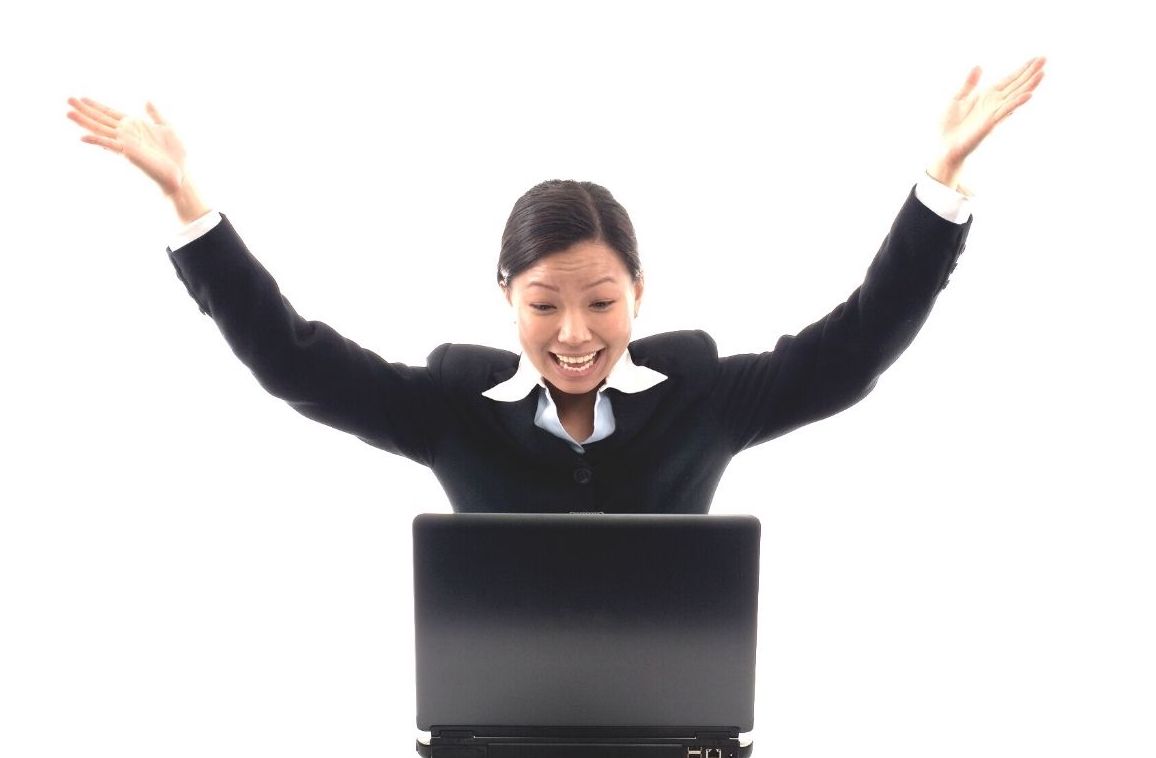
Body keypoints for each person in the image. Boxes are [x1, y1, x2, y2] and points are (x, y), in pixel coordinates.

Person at [65, 57, 1045, 513]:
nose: (574, 333)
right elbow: (293, 360)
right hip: (490, 735)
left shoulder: (705, 393)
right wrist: (190, 202)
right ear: (506, 296)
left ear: (640, 292)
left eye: (600, 301)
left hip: (673, 734)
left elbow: (856, 347)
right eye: (543, 304)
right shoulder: (450, 404)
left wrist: (938, 183)